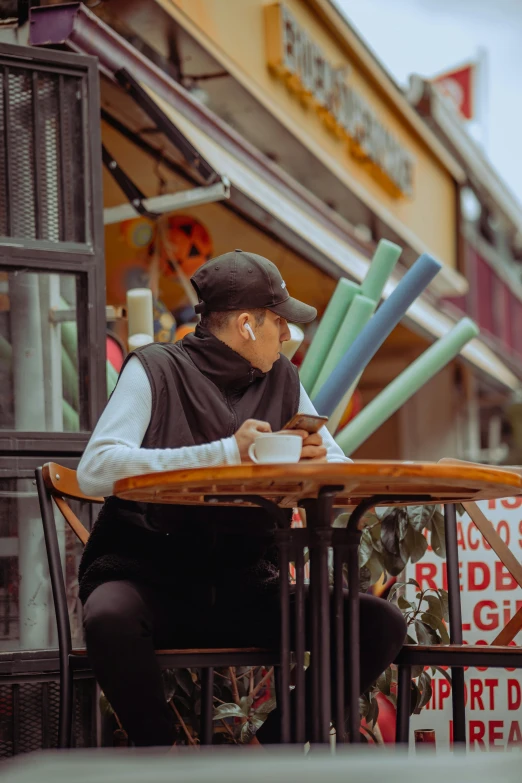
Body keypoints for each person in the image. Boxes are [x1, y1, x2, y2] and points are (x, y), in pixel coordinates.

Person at [77, 249, 406, 747]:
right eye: (280, 323)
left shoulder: (284, 380)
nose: (288, 337)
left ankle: (268, 752)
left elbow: (340, 466)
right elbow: (95, 470)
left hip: (244, 585)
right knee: (107, 617)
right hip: (152, 580)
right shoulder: (153, 369)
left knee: (376, 622)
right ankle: (161, 760)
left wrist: (316, 461)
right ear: (249, 325)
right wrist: (226, 453)